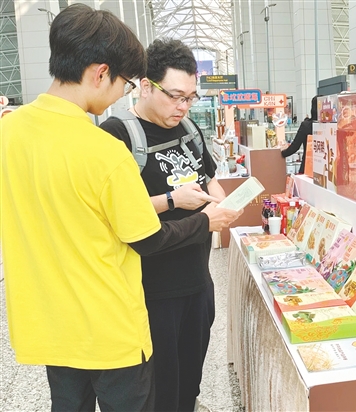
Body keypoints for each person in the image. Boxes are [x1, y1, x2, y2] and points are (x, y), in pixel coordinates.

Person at [0, 5, 240, 411]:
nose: (122, 93)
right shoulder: (105, 149)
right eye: (125, 83)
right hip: (109, 325)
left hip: (49, 324)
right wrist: (204, 221)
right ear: (100, 73)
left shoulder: (8, 132)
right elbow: (145, 237)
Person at [100, 38, 229, 412]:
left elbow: (209, 178)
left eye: (190, 97)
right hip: (151, 291)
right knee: (159, 388)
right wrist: (173, 200)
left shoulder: (188, 128)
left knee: (190, 379)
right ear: (145, 86)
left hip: (198, 280)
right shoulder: (117, 135)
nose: (183, 106)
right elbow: (112, 214)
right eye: (175, 96)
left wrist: (220, 201)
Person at [281, 95, 319, 174]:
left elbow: (295, 147)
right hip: (326, 169)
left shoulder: (306, 125)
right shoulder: (332, 126)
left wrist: (282, 153)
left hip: (308, 167)